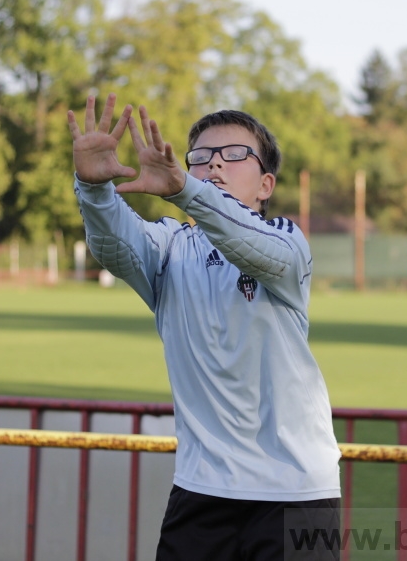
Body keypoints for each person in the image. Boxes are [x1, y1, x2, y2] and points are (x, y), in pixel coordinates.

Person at [68, 94, 341, 560]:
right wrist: (92, 189)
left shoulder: (286, 243)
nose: (216, 165)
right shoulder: (170, 247)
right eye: (201, 157)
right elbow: (113, 244)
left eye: (235, 155)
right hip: (202, 489)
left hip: (296, 492)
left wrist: (186, 192)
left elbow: (250, 244)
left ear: (265, 184)